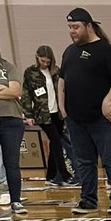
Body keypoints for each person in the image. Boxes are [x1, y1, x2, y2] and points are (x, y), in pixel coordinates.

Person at [58, 8, 111, 214]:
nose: (72, 31)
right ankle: (88, 200)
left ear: (88, 26)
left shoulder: (107, 51)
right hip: (75, 119)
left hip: (102, 119)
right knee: (84, 161)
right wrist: (63, 110)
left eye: (76, 27)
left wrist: (108, 101)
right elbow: (62, 81)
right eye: (69, 27)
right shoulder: (69, 52)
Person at [0, 32, 27, 216]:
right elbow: (8, 90)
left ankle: (16, 201)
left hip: (12, 120)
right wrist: (2, 87)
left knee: (12, 163)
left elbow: (15, 91)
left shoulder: (8, 66)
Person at [20, 45, 74, 187]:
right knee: (56, 142)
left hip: (58, 113)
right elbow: (26, 94)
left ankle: (51, 176)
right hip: (43, 114)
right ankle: (65, 175)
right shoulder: (30, 72)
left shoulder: (57, 71)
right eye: (42, 61)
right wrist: (28, 114)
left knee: (55, 144)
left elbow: (64, 90)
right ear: (37, 57)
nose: (45, 64)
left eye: (47, 62)